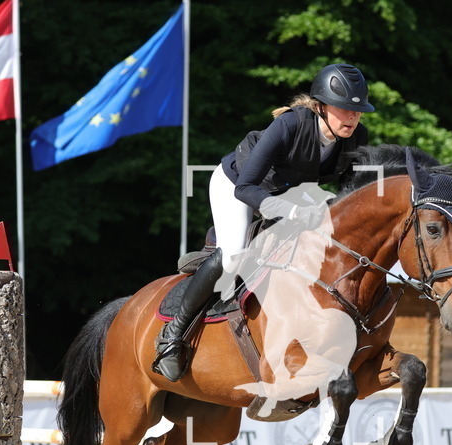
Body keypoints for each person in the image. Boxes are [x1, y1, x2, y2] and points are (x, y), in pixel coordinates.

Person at [153, 63, 374, 382]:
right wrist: (292, 211)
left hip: (291, 190)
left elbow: (347, 195)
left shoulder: (356, 139)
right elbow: (245, 187)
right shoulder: (290, 125)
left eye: (357, 112)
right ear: (321, 107)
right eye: (344, 110)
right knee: (232, 256)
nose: (352, 118)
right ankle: (172, 337)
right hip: (237, 184)